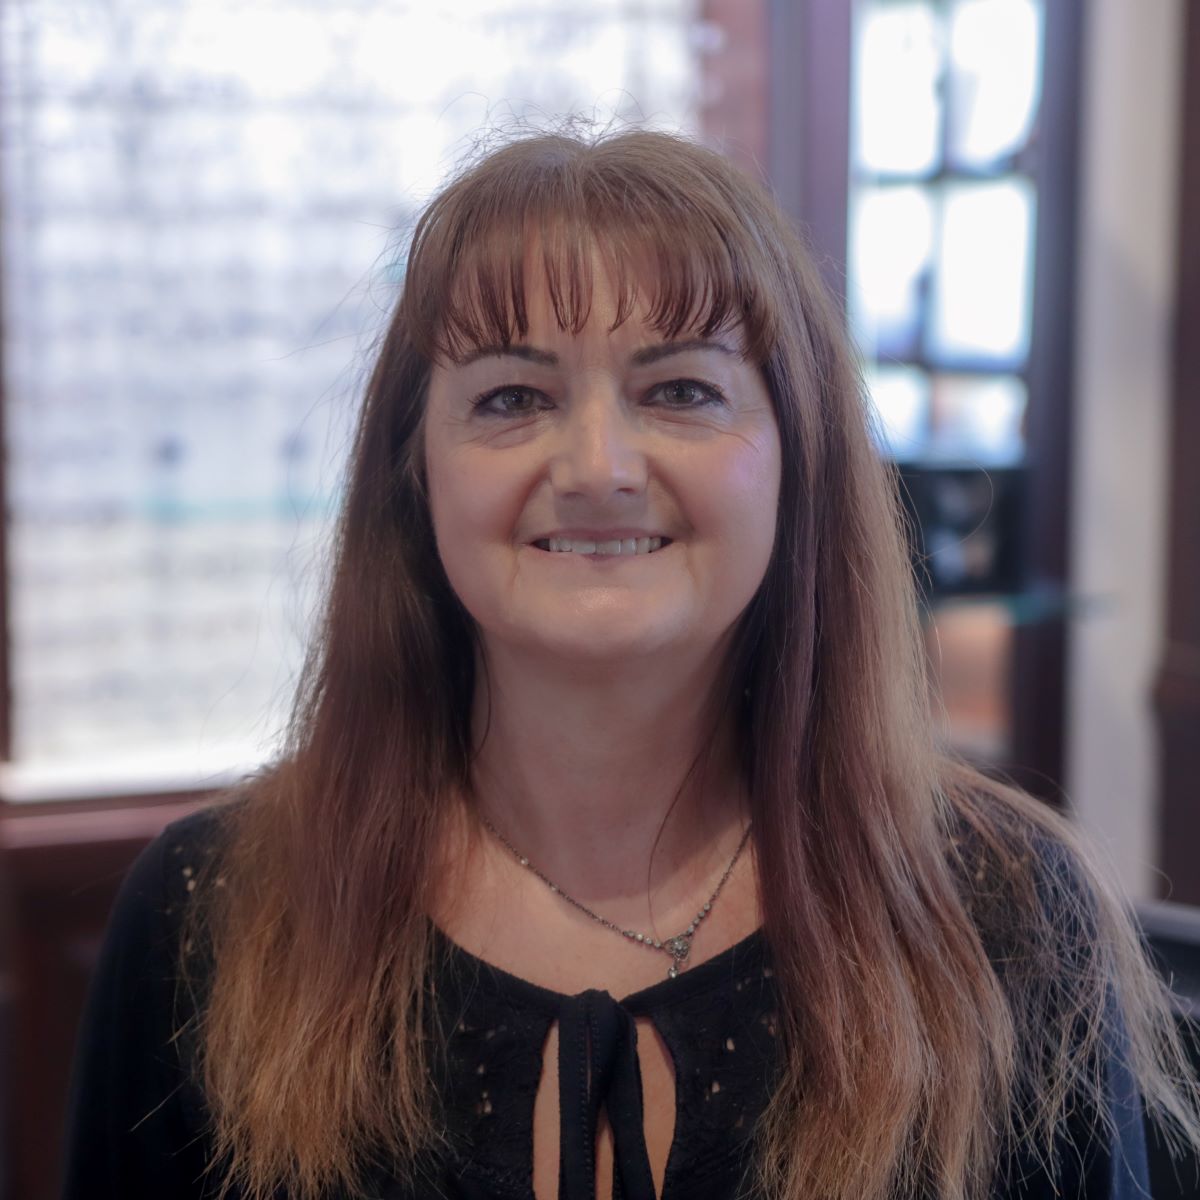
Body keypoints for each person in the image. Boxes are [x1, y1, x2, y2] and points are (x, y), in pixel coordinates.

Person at [61, 127, 1200, 1200]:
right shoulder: (209, 918)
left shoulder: (1009, 922)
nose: (599, 465)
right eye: (513, 397)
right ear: (416, 478)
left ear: (798, 461)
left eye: (681, 392)